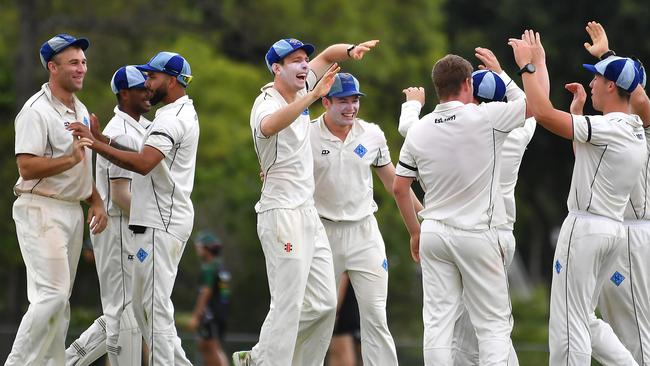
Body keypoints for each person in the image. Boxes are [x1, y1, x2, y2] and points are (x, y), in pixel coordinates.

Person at [233, 38, 378, 366]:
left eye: (304, 61)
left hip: (307, 212)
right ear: (276, 68)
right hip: (280, 212)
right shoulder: (266, 102)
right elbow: (269, 126)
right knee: (288, 304)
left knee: (324, 304)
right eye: (295, 61)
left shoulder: (303, 85)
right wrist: (312, 96)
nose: (303, 66)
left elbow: (328, 55)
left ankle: (257, 358)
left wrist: (350, 50)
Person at [509, 28, 645, 365]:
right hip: (610, 231)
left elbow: (542, 113)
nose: (593, 84)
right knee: (586, 320)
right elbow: (591, 160)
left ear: (612, 86)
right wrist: (580, 113)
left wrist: (530, 67)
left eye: (597, 78)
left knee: (568, 326)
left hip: (586, 229)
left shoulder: (611, 126)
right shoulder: (634, 130)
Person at [393, 44, 537, 363]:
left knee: (438, 323)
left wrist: (415, 232)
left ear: (437, 88)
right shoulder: (490, 119)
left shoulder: (419, 129)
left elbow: (400, 187)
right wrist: (523, 68)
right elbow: (535, 106)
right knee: (493, 327)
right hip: (481, 234)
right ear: (468, 85)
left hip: (434, 233)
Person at [67, 51, 198, 365]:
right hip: (148, 224)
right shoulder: (176, 114)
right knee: (137, 311)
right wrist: (102, 140)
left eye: (152, 78)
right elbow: (132, 171)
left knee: (146, 311)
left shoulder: (168, 118)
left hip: (156, 223)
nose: (148, 86)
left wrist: (95, 142)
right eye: (143, 82)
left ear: (173, 79)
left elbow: (142, 163)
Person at [5, 33, 108, 366]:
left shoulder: (79, 107)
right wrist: (69, 159)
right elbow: (27, 166)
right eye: (73, 63)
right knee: (50, 296)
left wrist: (95, 199)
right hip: (40, 207)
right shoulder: (35, 111)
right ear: (53, 67)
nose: (82, 69)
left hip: (71, 211)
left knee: (60, 300)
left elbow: (80, 169)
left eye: (83, 62)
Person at [311, 72, 424, 365]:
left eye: (354, 100)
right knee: (319, 313)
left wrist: (425, 218)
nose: (350, 107)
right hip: (322, 233)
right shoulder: (306, 135)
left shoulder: (371, 134)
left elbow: (394, 183)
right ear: (325, 102)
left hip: (364, 232)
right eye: (342, 101)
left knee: (375, 315)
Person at [66, 65, 152, 366]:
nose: (148, 91)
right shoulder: (119, 131)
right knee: (125, 312)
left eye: (149, 85)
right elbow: (119, 195)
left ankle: (64, 362)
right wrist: (155, 222)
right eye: (142, 88)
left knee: (126, 309)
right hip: (117, 224)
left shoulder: (142, 127)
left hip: (130, 227)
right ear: (124, 94)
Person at [577, 21, 650, 366]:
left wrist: (608, 56)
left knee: (634, 334)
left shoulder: (641, 127)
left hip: (635, 234)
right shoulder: (619, 129)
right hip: (615, 231)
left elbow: (635, 93)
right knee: (607, 328)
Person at [189, 231, 231, 366]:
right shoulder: (220, 266)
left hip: (212, 314)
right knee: (204, 345)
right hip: (221, 312)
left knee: (211, 346)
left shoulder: (210, 268)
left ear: (208, 249)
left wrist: (196, 316)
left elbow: (206, 292)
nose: (198, 249)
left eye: (200, 246)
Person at [327, 273, 361, 366]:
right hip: (345, 308)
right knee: (337, 352)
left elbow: (342, 275)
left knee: (342, 352)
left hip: (344, 309)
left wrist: (334, 310)